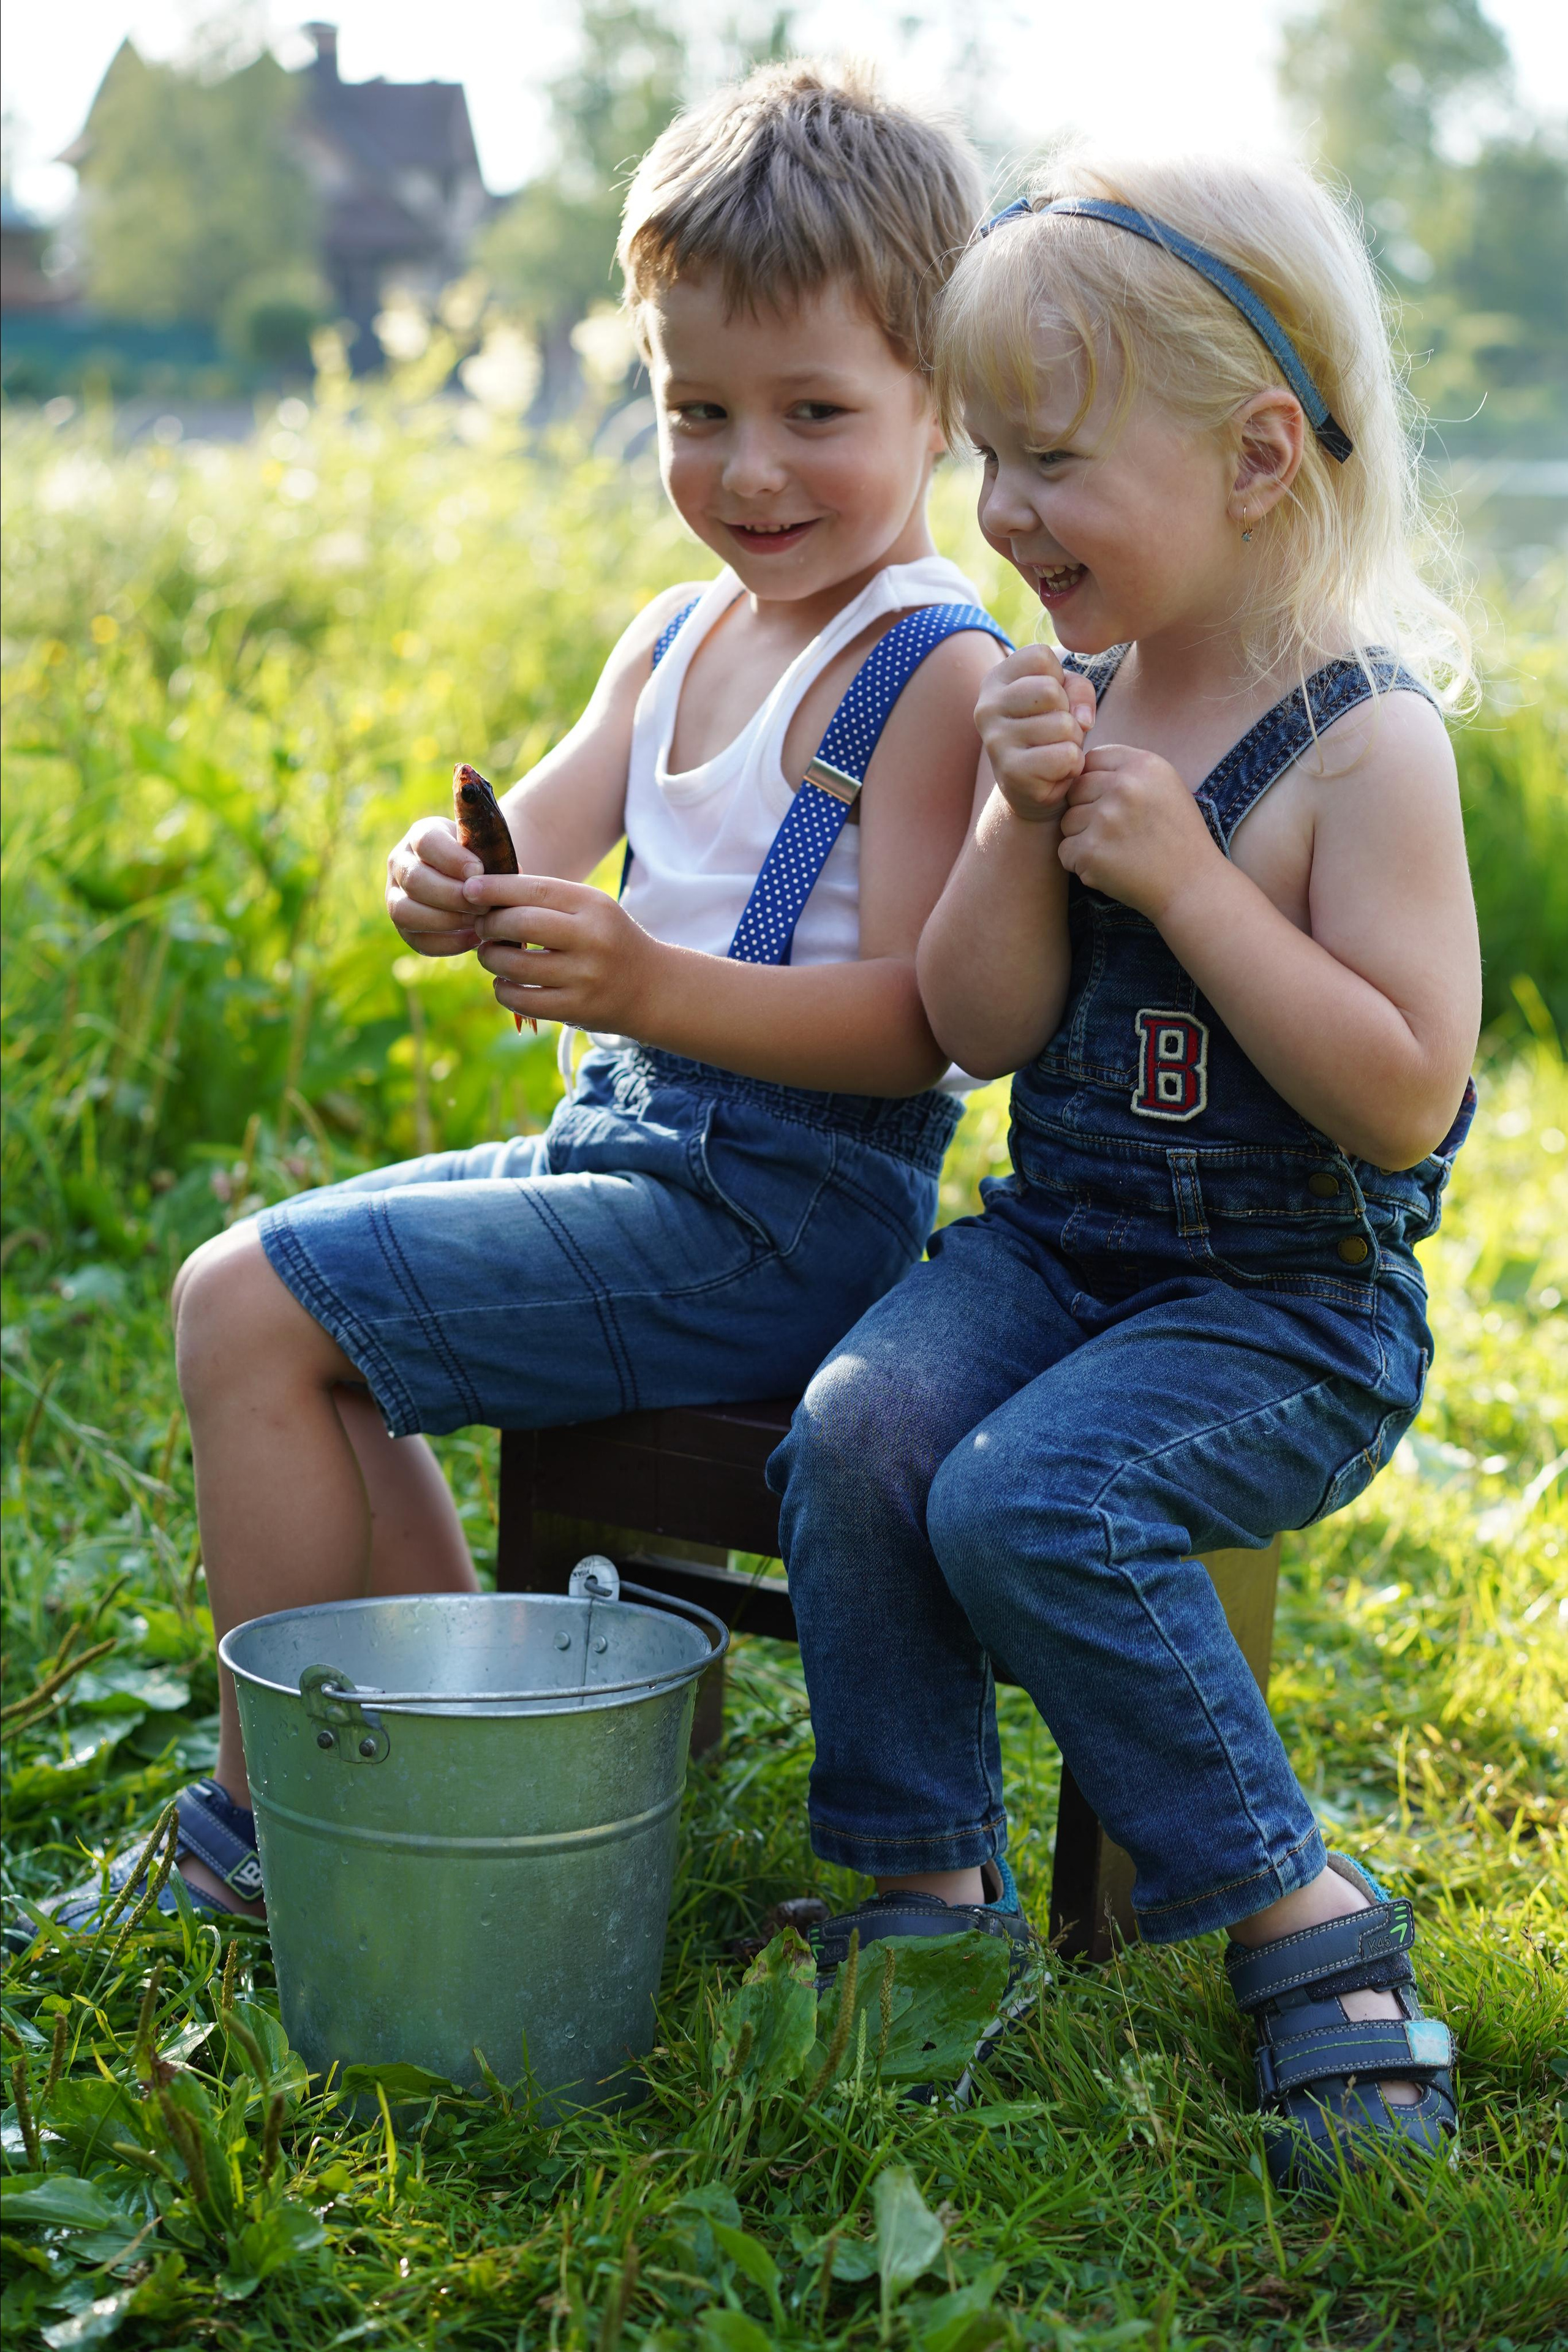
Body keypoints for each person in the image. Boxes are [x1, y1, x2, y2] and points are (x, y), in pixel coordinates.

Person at [53, 63, 1008, 1933]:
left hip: (787, 1215)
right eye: (696, 411)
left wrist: (647, 975)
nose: (748, 471)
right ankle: (437, 1732)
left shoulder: (932, 666)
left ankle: (270, 1839)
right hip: (640, 1164)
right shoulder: (672, 635)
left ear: (939, 404)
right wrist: (449, 881)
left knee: (245, 1305)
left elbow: (929, 1025)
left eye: (815, 413)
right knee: (288, 1328)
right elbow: (537, 835)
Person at [770, 151, 1481, 2188]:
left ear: (1260, 454)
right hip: (1067, 1249)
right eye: (989, 459)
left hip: (1287, 1312)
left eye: (1055, 461)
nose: (1001, 515)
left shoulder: (1365, 745)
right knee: (858, 1428)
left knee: (1030, 1497)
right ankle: (922, 1888)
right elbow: (984, 1024)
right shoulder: (1074, 692)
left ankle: (1297, 1912)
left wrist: (1188, 876)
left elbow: (1403, 1095)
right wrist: (1017, 828)